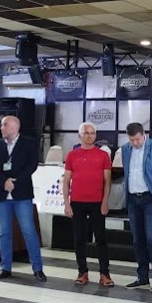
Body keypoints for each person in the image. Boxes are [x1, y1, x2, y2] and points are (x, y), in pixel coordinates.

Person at [0, 115, 46, 282]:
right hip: (2, 195)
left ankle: (38, 268)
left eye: (5, 125)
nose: (1, 128)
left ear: (15, 127)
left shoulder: (28, 143)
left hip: (22, 194)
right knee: (4, 232)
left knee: (28, 231)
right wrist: (4, 181)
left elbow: (32, 165)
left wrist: (15, 181)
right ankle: (5, 268)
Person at [121, 122, 152, 292]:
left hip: (150, 198)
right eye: (131, 140)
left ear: (144, 134)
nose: (135, 143)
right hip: (132, 199)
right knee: (137, 239)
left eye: (137, 139)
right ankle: (142, 276)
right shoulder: (125, 149)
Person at [62, 122, 113, 287]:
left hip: (97, 203)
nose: (89, 136)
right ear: (80, 136)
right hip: (77, 202)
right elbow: (66, 181)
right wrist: (66, 203)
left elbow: (107, 181)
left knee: (101, 239)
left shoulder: (103, 155)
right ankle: (82, 272)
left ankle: (104, 273)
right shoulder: (72, 155)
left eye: (92, 133)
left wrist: (105, 201)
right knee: (79, 239)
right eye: (86, 133)